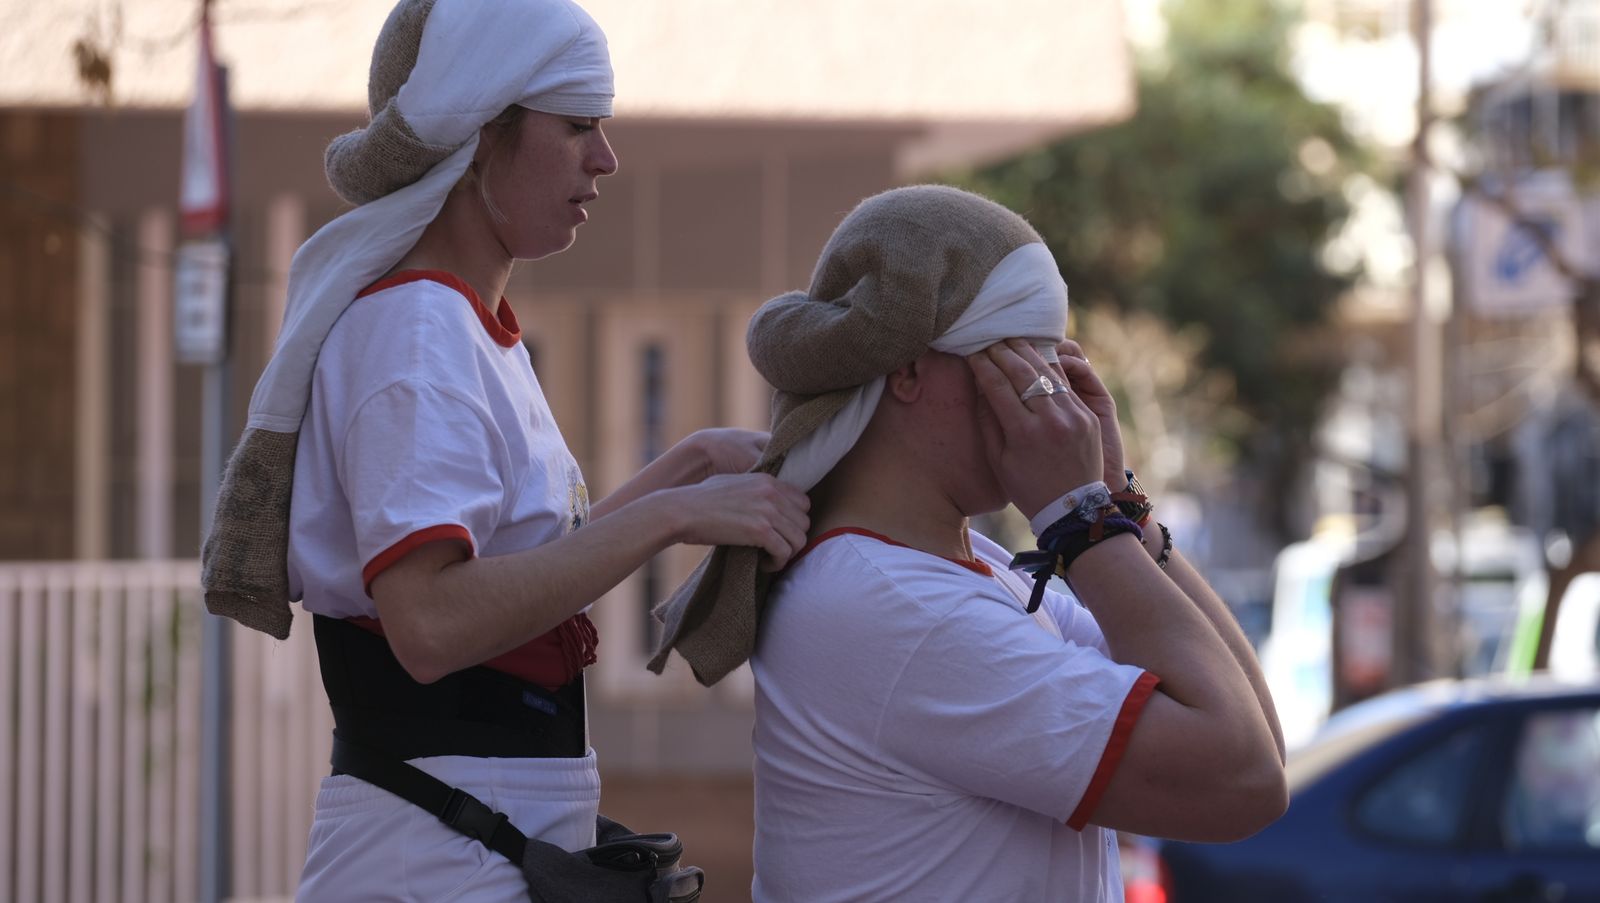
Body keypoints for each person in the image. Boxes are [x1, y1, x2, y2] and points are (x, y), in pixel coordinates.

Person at [198, 1, 809, 900]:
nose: (605, 158)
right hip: (433, 850)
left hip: (468, 835)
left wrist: (688, 466)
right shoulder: (414, 332)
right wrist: (676, 514)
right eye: (578, 127)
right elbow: (431, 623)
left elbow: (524, 569)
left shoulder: (462, 327)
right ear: (482, 138)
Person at [649, 185, 1287, 901]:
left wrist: (1120, 507)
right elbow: (1242, 779)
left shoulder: (978, 571)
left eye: (1053, 363)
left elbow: (1257, 733)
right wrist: (1082, 519)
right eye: (1019, 357)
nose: (1055, 399)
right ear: (911, 370)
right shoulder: (891, 608)